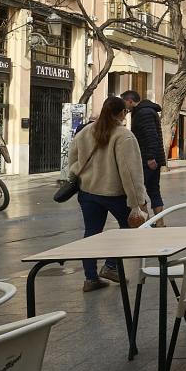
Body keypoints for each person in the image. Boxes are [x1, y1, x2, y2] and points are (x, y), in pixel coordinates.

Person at [69, 96, 151, 291]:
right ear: (122, 113)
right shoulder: (124, 136)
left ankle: (90, 278)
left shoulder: (85, 132)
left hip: (88, 191)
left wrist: (78, 176)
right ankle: (111, 265)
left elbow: (72, 160)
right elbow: (130, 172)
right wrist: (138, 201)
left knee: (91, 233)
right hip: (115, 193)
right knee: (129, 229)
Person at [122, 90, 166, 214]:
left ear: (130, 101)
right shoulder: (143, 111)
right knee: (153, 190)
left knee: (137, 190)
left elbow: (151, 136)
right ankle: (159, 223)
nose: (124, 106)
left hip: (148, 159)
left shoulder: (144, 113)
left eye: (124, 102)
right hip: (150, 158)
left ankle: (145, 220)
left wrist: (151, 157)